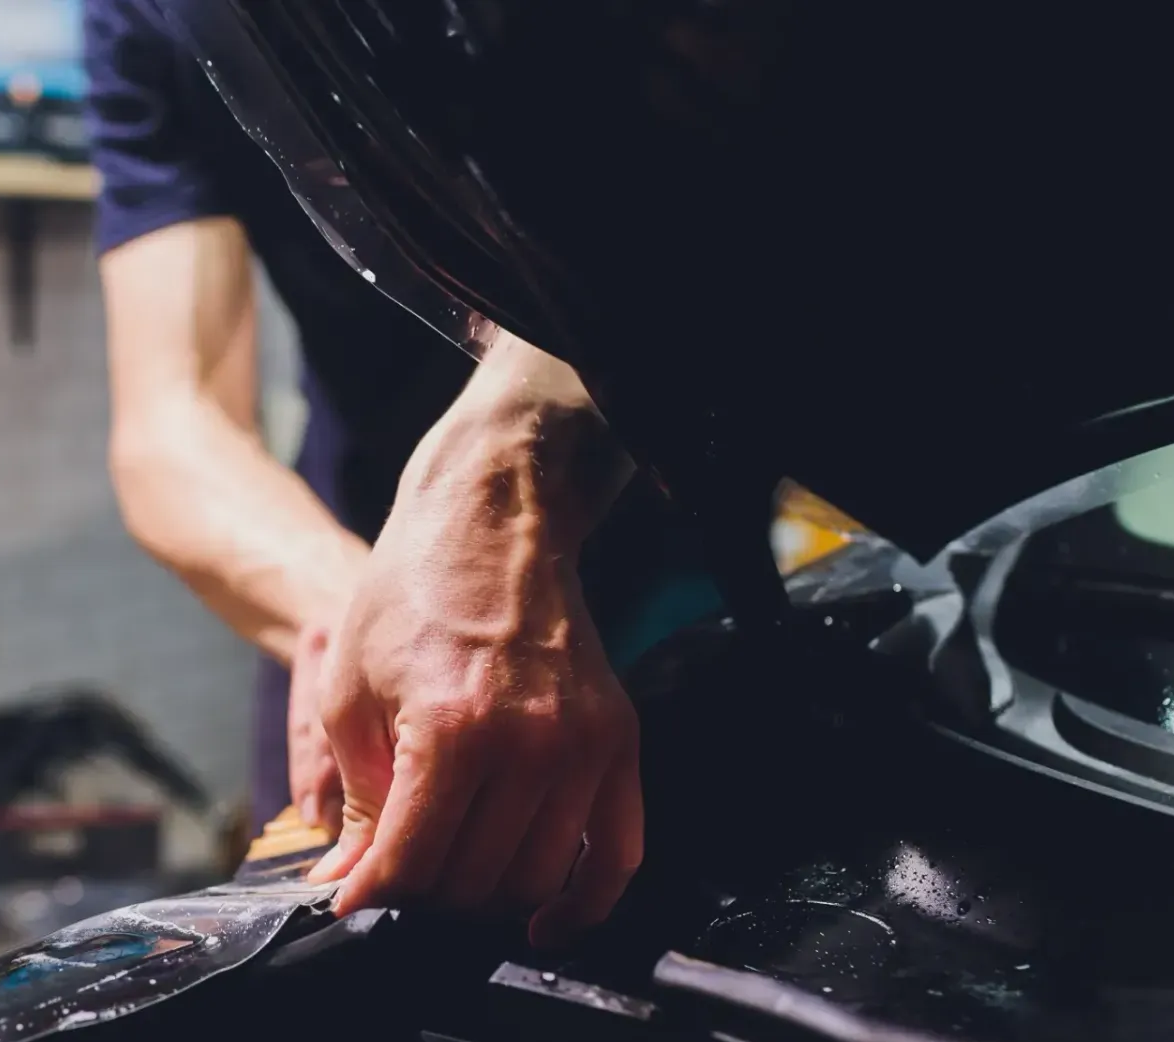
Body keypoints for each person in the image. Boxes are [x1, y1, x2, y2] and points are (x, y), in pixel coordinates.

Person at [86, 0, 719, 946]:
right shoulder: (146, 15)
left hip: (662, 511)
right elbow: (172, 424)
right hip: (346, 552)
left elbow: (720, 184)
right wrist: (375, 619)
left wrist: (504, 482)